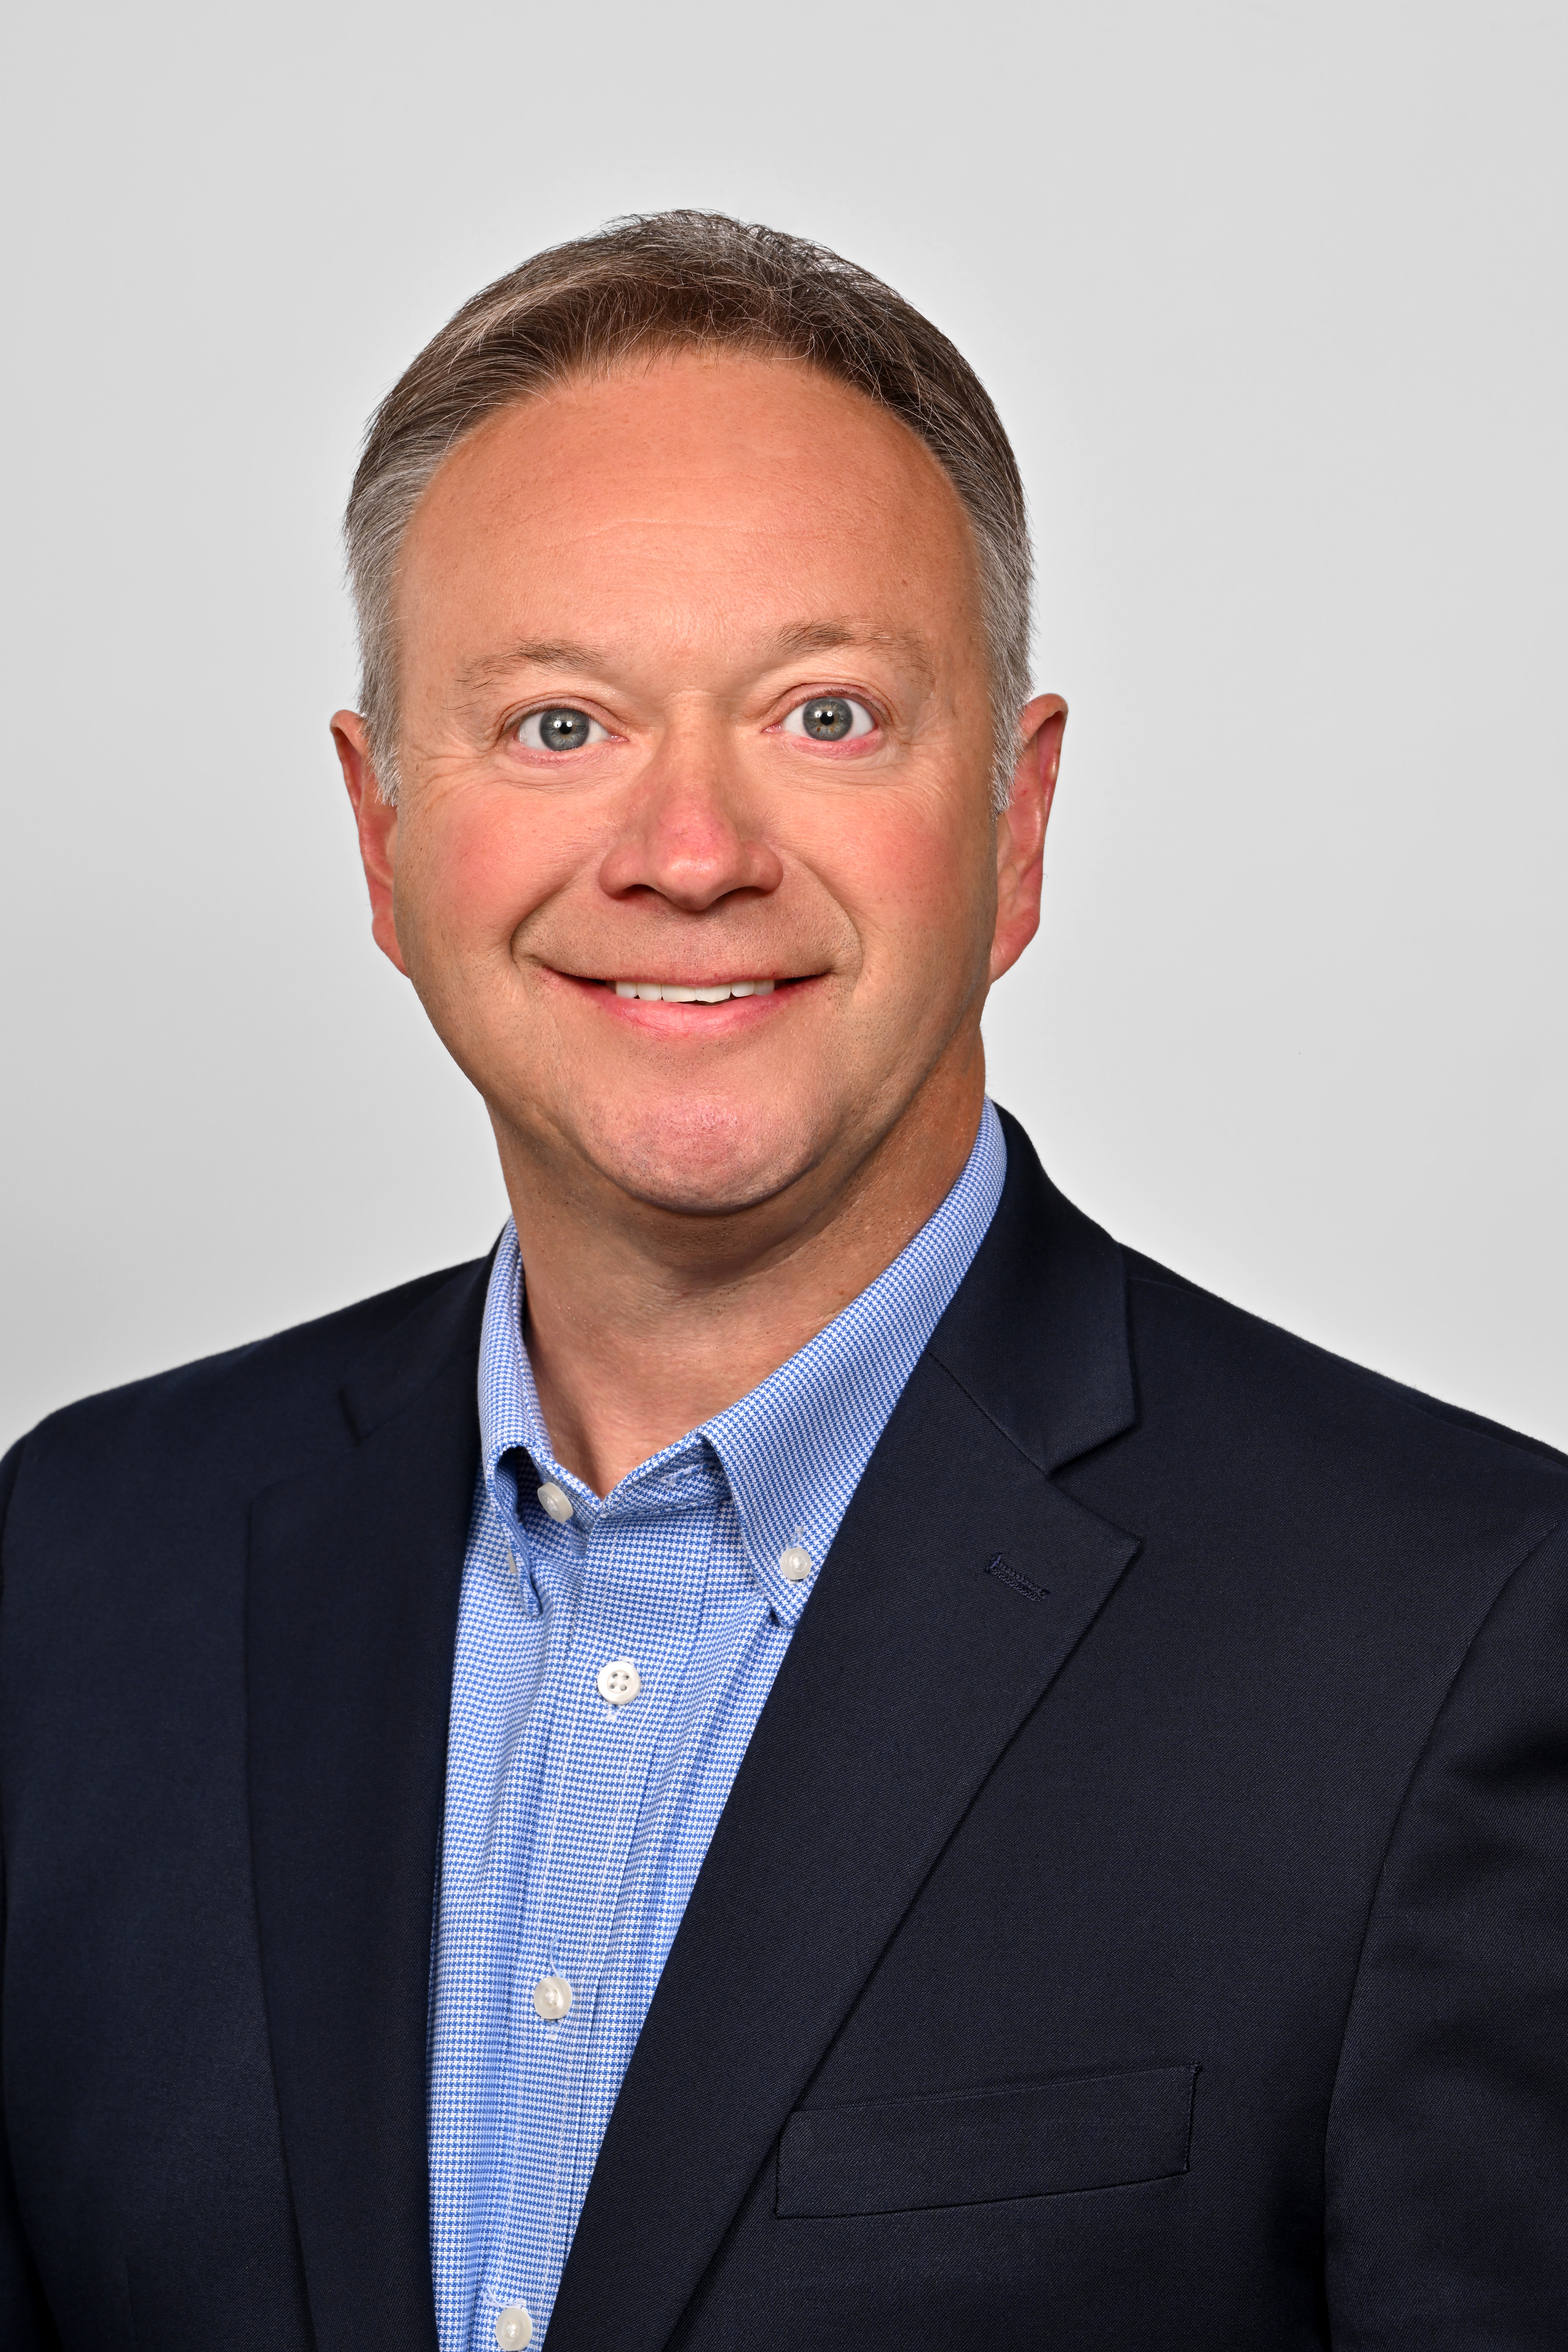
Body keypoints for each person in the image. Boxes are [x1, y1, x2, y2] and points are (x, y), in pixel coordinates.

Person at [2, 211, 1565, 2352]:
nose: (692, 846)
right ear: (380, 837)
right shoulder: (83, 1566)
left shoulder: (1458, 1637)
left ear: (1016, 827)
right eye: (558, 725)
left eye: (826, 714)